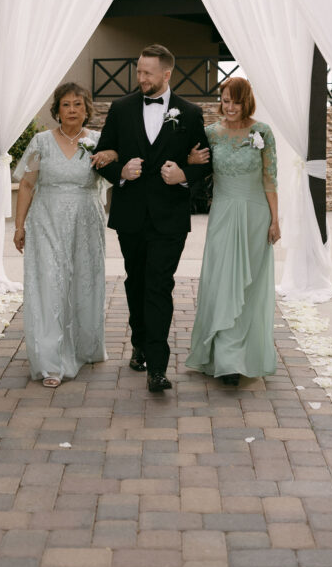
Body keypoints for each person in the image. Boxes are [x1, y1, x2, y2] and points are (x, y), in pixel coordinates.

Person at [94, 44, 211, 393]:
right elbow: (101, 156)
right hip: (130, 214)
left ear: (166, 74)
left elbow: (207, 165)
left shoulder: (189, 113)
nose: (140, 78)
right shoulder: (121, 108)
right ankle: (140, 343)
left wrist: (185, 176)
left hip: (170, 218)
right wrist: (121, 172)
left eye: (147, 72)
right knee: (136, 281)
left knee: (160, 285)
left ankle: (157, 368)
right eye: (138, 71)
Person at [185, 76, 280, 385]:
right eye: (225, 100)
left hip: (256, 213)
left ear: (246, 102)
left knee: (249, 285)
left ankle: (240, 357)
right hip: (224, 212)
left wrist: (275, 220)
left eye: (236, 101)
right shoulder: (211, 134)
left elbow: (270, 179)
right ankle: (222, 355)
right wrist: (190, 161)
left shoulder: (262, 132)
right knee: (221, 280)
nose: (230, 107)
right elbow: (197, 169)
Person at [13, 82, 108, 388]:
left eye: (78, 105)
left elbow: (113, 177)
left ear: (87, 109)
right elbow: (27, 185)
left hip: (86, 224)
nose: (71, 110)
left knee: (83, 282)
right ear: (56, 110)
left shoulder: (98, 141)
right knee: (50, 286)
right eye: (66, 105)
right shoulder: (41, 142)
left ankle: (84, 347)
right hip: (47, 222)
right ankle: (51, 362)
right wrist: (19, 225)